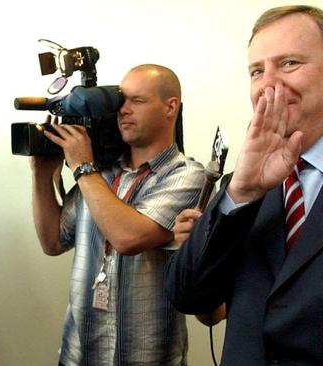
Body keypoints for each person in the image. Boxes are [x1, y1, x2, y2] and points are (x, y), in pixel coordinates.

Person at [165, 5, 323, 365]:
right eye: (256, 71)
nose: (268, 84)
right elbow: (187, 296)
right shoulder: (241, 185)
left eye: (289, 63)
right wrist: (239, 195)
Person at [31, 64, 204, 365]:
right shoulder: (101, 174)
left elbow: (128, 237)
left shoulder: (187, 176)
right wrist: (41, 176)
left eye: (137, 101)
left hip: (148, 357)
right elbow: (53, 242)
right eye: (121, 101)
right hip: (78, 355)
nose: (123, 110)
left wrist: (83, 167)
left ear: (170, 106)